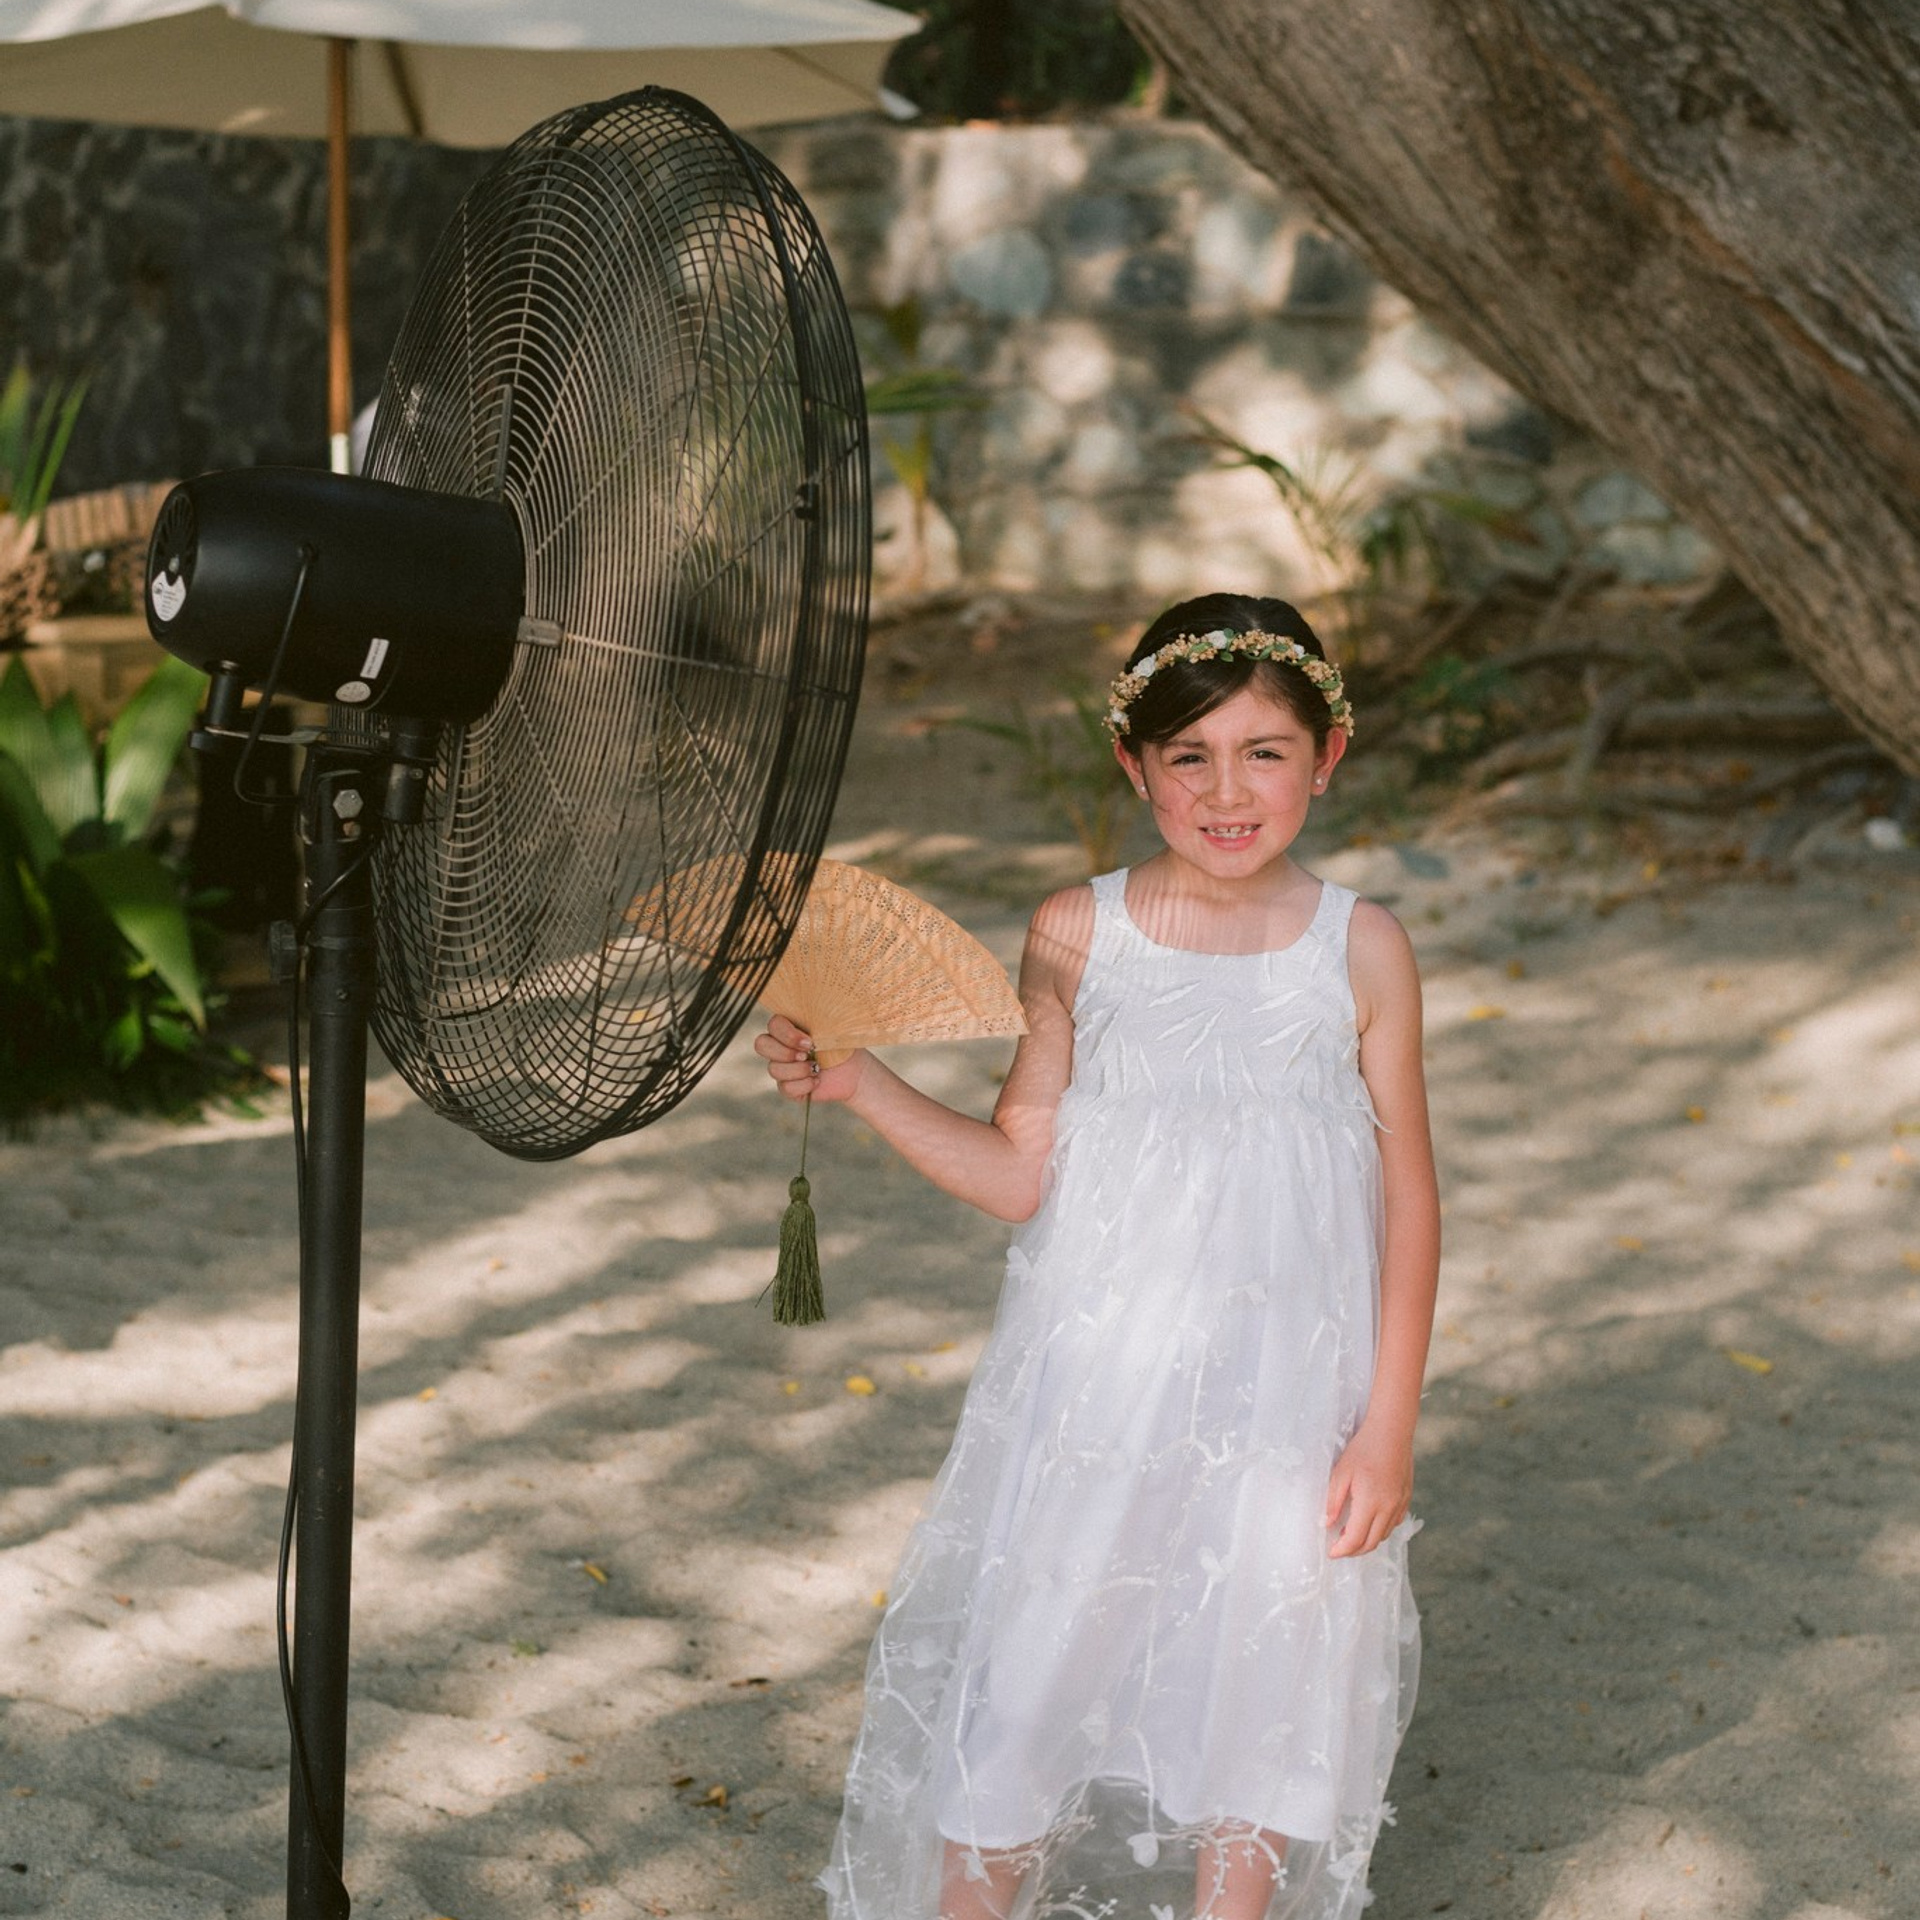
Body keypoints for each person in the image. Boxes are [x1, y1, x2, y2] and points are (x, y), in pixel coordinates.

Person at [757, 592, 1440, 1920]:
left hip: (1287, 1400)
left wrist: (1389, 1428)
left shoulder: (1359, 948)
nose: (1227, 790)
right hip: (1100, 1397)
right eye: (1189, 756)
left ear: (1327, 757)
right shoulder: (1081, 931)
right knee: (1042, 1658)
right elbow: (1023, 1174)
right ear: (1134, 766)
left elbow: (1409, 1194)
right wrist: (864, 1086)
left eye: (1265, 751)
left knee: (1259, 1661)